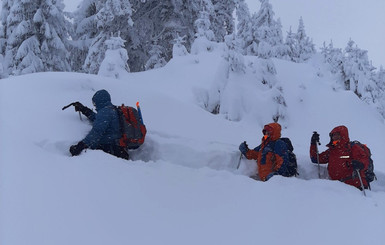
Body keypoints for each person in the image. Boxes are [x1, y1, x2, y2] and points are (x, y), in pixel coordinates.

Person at [69, 89, 129, 160]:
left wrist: (81, 146)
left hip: (111, 148)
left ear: (99, 101)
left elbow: (97, 131)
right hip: (119, 147)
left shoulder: (105, 112)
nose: (95, 105)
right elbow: (98, 120)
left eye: (94, 103)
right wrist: (84, 110)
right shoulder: (112, 109)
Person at [310, 125, 369, 189]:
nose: (335, 137)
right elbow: (315, 159)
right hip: (337, 187)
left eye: (337, 134)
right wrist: (313, 144)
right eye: (333, 135)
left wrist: (360, 164)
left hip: (355, 186)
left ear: (343, 135)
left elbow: (364, 159)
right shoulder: (331, 151)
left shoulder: (352, 147)